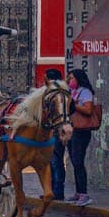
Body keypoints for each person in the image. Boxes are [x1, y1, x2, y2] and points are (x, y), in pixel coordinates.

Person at [67, 68, 97, 207]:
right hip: (72, 130)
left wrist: (74, 105)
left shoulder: (85, 92)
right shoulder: (72, 91)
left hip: (81, 131)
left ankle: (84, 194)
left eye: (72, 78)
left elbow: (88, 109)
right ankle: (78, 192)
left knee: (78, 161)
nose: (70, 81)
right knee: (74, 161)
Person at [44, 68, 67, 200]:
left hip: (56, 130)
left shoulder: (57, 93)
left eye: (45, 77)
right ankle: (52, 189)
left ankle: (58, 190)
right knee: (52, 161)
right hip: (55, 129)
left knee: (55, 161)